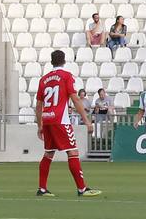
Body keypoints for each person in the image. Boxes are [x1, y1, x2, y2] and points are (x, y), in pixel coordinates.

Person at [35, 50, 100, 197]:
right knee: (72, 152)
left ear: (51, 62)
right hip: (61, 121)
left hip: (47, 119)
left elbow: (38, 105)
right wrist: (87, 120)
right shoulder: (66, 76)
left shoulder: (43, 79)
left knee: (49, 153)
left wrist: (40, 125)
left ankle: (42, 188)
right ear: (64, 61)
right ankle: (82, 188)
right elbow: (75, 99)